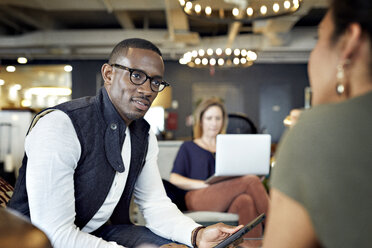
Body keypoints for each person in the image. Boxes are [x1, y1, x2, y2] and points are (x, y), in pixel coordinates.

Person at [7, 38, 243, 248]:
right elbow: (54, 234)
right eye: (137, 75)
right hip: (32, 241)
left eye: (156, 82)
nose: (147, 90)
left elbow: (154, 205)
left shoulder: (144, 134)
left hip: (104, 231)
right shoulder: (60, 125)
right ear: (108, 74)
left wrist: (196, 235)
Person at [263, 0, 372, 247]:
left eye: (318, 39)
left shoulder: (315, 133)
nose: (313, 56)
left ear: (349, 41)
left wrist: (315, 128)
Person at [169, 98, 269, 238]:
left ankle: (252, 245)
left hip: (226, 197)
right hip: (197, 197)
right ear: (201, 121)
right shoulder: (189, 147)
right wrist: (204, 185)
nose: (214, 123)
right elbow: (174, 178)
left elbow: (237, 177)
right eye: (209, 118)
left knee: (245, 200)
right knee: (250, 181)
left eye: (218, 118)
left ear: (223, 121)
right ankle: (280, 226)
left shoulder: (229, 147)